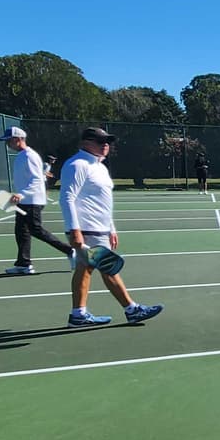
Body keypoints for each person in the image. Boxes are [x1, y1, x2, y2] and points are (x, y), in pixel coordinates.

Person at [59, 127, 164, 328]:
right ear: (86, 143)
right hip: (87, 229)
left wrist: (111, 228)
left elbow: (103, 201)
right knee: (108, 268)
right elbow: (67, 197)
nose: (105, 145)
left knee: (85, 269)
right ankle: (132, 309)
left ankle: (79, 314)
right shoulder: (77, 165)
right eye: (100, 141)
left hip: (99, 228)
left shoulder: (99, 167)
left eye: (107, 141)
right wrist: (74, 230)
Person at [0, 126, 72, 275]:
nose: (7, 144)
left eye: (9, 141)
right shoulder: (21, 156)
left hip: (33, 201)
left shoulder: (29, 156)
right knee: (21, 232)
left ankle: (70, 251)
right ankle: (24, 264)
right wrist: (19, 196)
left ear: (18, 139)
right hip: (25, 201)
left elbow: (37, 180)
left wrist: (22, 194)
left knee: (36, 230)